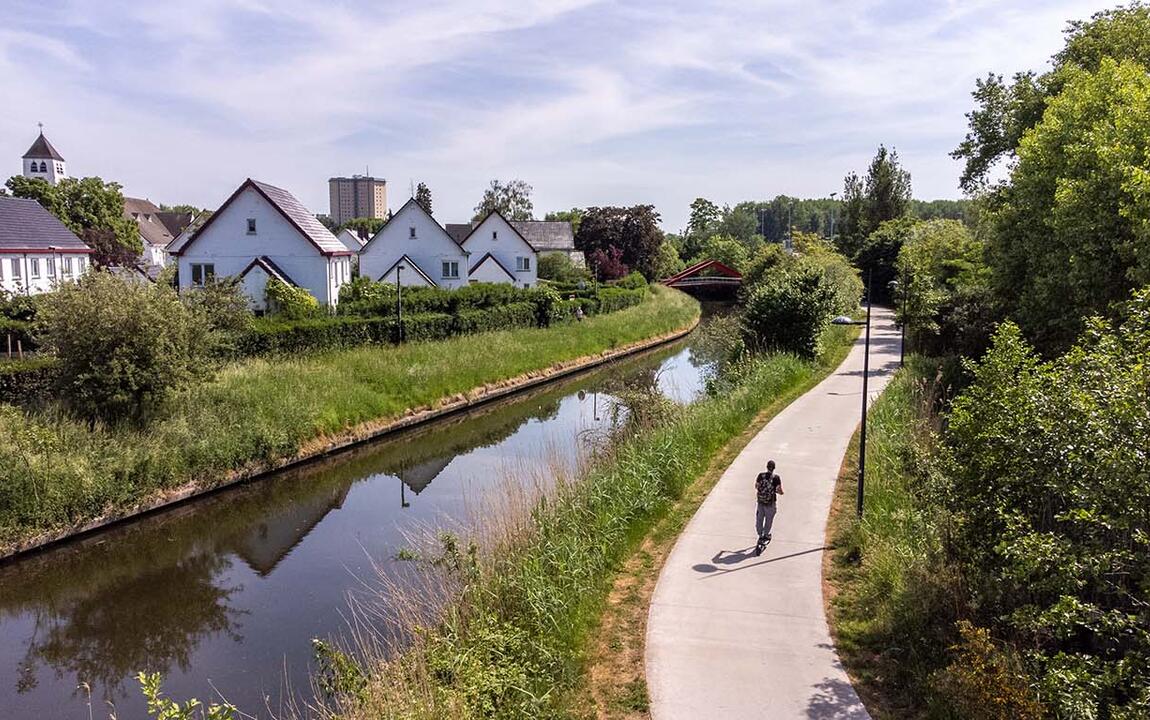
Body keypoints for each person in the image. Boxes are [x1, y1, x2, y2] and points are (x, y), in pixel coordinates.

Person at [754, 459, 783, 555]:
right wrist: (780, 493)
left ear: (766, 467)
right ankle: (766, 535)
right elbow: (779, 490)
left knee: (759, 519)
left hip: (761, 502)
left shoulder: (760, 475)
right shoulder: (776, 478)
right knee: (769, 520)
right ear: (774, 468)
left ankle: (760, 534)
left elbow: (756, 486)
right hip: (770, 503)